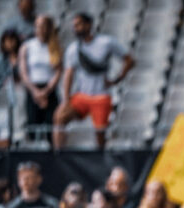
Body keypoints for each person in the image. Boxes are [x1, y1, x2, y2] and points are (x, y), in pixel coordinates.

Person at [53, 13, 134, 149]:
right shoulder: (73, 49)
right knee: (59, 117)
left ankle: (100, 158)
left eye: (79, 25)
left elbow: (129, 60)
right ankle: (58, 154)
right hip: (82, 95)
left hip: (101, 96)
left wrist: (117, 79)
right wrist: (66, 100)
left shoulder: (106, 42)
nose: (76, 29)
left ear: (88, 25)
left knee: (100, 133)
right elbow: (68, 75)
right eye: (74, 26)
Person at [18, 14, 61, 145]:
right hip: (33, 90)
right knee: (32, 125)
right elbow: (24, 72)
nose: (40, 29)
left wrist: (46, 91)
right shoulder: (27, 46)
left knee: (51, 126)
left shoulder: (55, 46)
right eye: (38, 26)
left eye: (43, 26)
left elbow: (58, 71)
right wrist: (35, 91)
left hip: (49, 90)